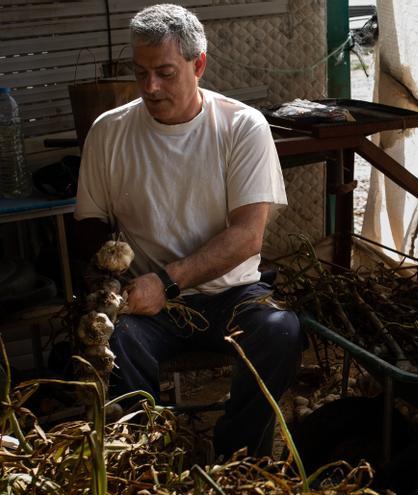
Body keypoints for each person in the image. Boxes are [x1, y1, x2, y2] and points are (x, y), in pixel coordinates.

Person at [73, 3, 303, 459]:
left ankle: (238, 457)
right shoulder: (109, 132)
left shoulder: (241, 126)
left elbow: (247, 237)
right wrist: (107, 287)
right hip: (148, 306)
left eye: (164, 72)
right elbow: (91, 225)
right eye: (140, 73)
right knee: (115, 346)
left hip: (229, 296)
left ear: (198, 64)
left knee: (280, 332)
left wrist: (168, 281)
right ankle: (147, 460)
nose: (151, 88)